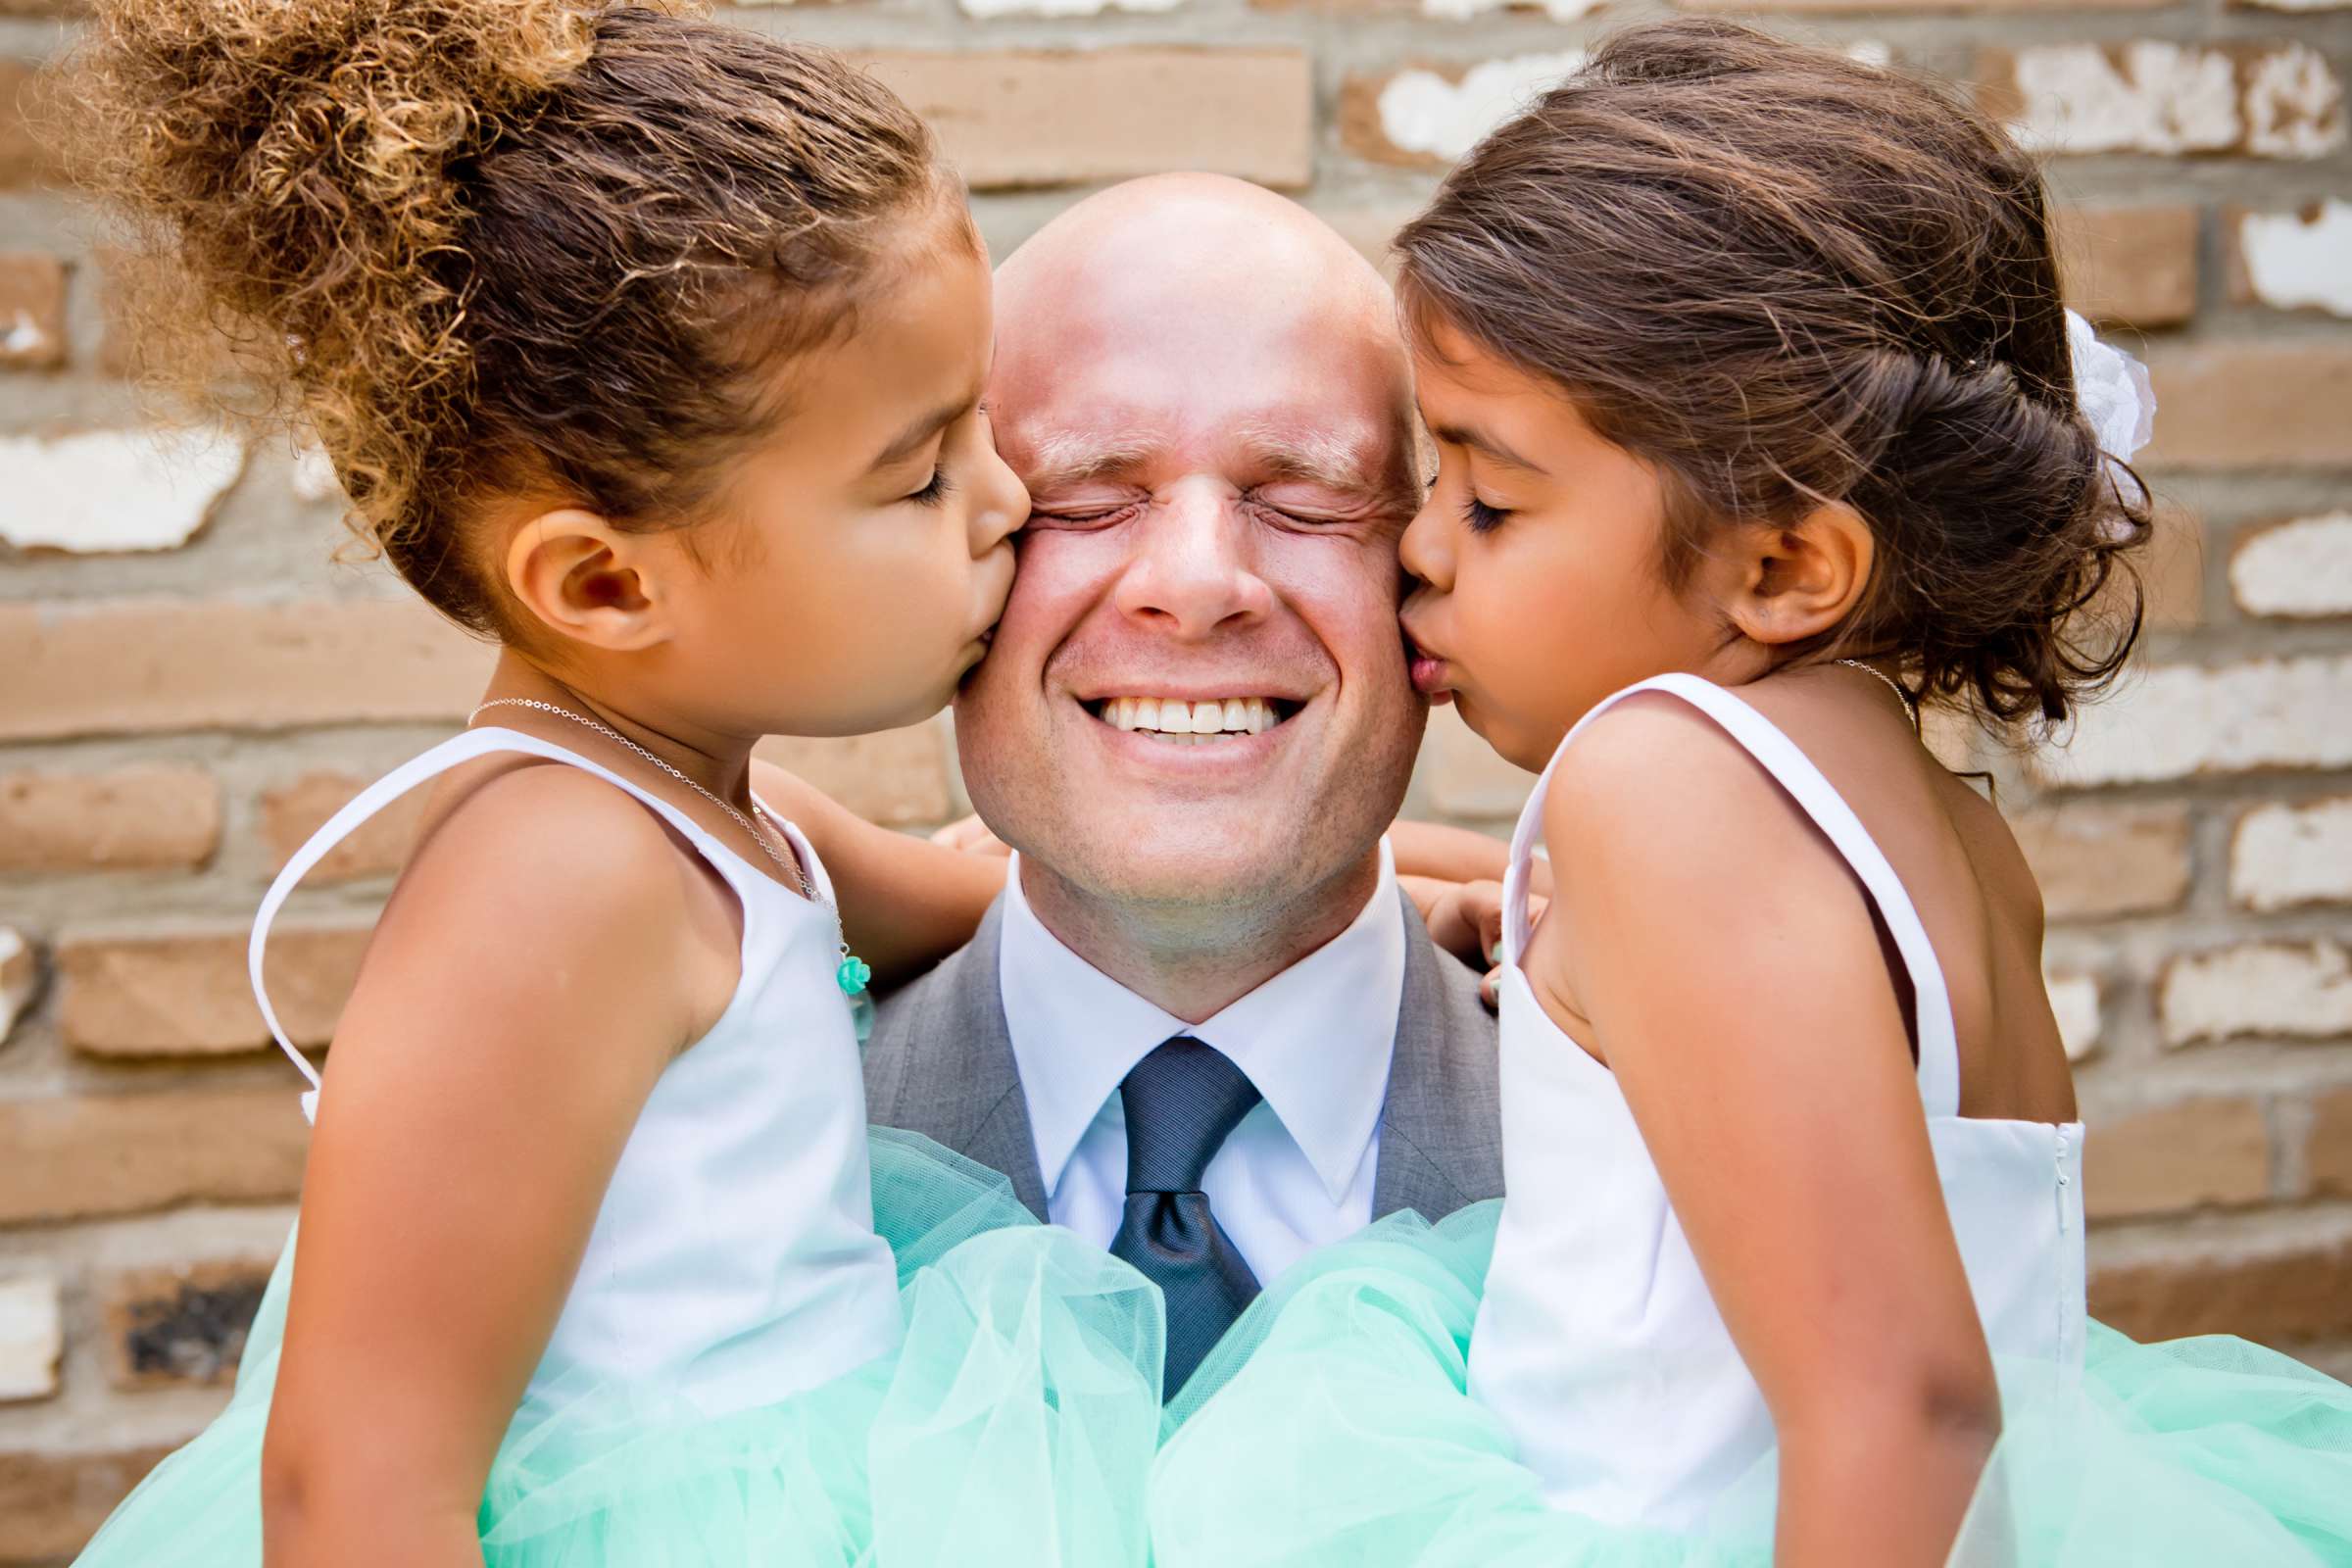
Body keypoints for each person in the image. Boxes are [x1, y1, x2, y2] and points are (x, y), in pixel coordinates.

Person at [1152, 22, 2352, 1567]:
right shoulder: (1938, 825)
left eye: (1492, 496)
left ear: (1785, 566)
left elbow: (1903, 1403)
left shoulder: (1655, 781)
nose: (1422, 547)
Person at [67, 5, 1160, 1564]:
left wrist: (1438, 890)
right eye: (918, 475)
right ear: (600, 586)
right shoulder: (556, 878)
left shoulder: (709, 821)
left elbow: (1021, 892)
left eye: (977, 426)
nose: (1008, 499)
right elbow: (355, 1491)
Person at [863, 173, 1505, 1398]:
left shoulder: (1663, 1125)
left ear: (1423, 570)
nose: (1200, 580)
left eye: (1307, 497)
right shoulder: (711, 1139)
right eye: (1085, 498)